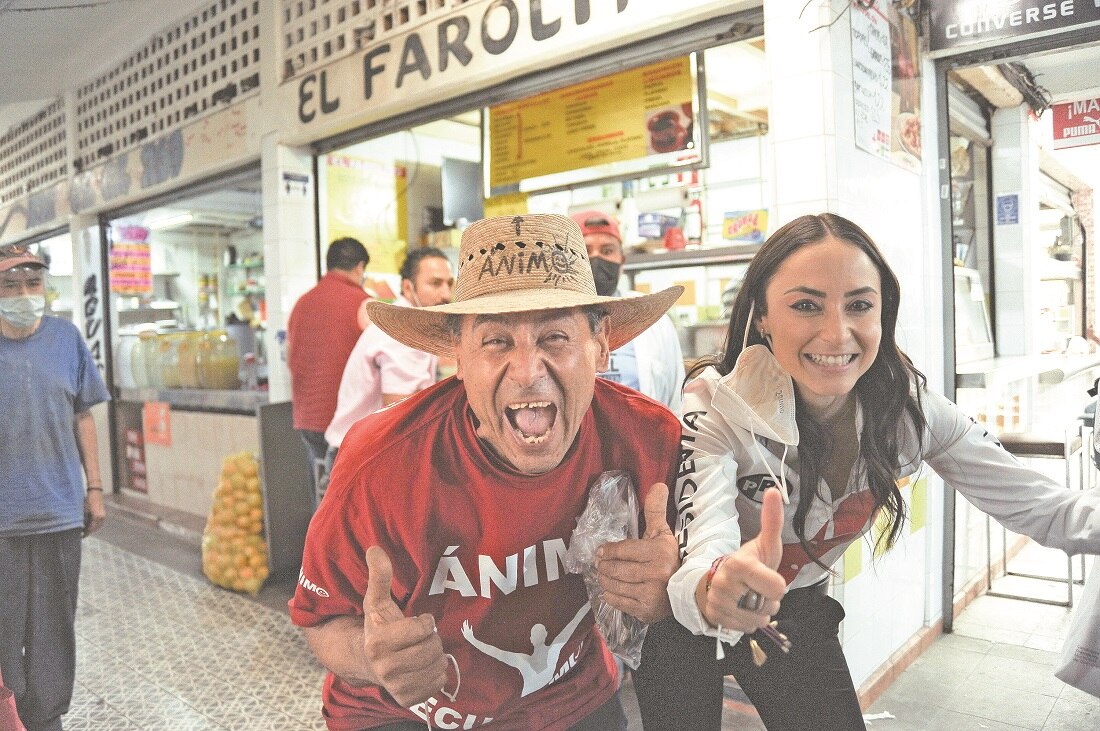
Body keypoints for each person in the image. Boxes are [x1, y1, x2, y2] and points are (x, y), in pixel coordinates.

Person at [633, 213, 1100, 730]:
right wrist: (714, 583)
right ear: (763, 316)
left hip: (794, 606)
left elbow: (1046, 508)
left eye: (859, 305)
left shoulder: (908, 410)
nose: (837, 333)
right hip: (679, 612)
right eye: (806, 305)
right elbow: (705, 540)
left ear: (884, 313)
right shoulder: (715, 405)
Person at [289, 213, 685, 730]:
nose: (527, 373)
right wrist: (374, 659)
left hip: (570, 696)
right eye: (496, 341)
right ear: (458, 355)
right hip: (398, 709)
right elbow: (320, 619)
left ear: (601, 345)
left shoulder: (646, 438)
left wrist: (674, 591)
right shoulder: (380, 463)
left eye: (556, 338)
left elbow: (711, 580)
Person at [0, 243, 110, 731]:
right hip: (3, 519)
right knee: (5, 627)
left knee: (53, 629)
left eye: (32, 283)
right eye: (10, 285)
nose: (24, 294)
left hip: (59, 510)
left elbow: (81, 413)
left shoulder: (66, 339)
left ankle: (45, 718)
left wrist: (96, 488)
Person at [321, 247, 455, 494]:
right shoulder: (402, 334)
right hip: (361, 462)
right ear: (407, 288)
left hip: (358, 452)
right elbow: (399, 413)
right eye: (435, 284)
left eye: (450, 283)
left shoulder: (413, 325)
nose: (446, 294)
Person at [570, 210, 685, 410]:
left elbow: (677, 400)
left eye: (607, 251)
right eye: (585, 251)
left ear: (622, 262)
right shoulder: (551, 321)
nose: (596, 258)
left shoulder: (654, 322)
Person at [287, 237, 370, 504]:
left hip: (307, 419)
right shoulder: (364, 304)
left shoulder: (302, 303)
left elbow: (290, 358)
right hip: (344, 424)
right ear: (360, 268)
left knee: (322, 503)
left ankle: (317, 546)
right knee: (349, 506)